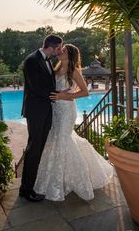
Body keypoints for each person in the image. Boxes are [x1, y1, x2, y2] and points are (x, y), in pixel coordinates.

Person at [34, 44, 113, 201]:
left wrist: (66, 96)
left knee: (63, 140)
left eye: (62, 51)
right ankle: (58, 179)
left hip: (67, 110)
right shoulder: (55, 69)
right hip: (55, 111)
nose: (59, 52)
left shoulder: (74, 71)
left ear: (69, 55)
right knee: (56, 140)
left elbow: (85, 91)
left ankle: (79, 181)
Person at [20, 34, 64, 202]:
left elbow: (47, 85)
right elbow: (36, 88)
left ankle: (31, 184)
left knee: (39, 149)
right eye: (58, 48)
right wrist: (59, 95)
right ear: (51, 47)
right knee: (33, 149)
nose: (59, 51)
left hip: (45, 111)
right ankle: (26, 190)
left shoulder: (47, 60)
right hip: (36, 111)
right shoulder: (32, 60)